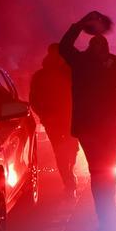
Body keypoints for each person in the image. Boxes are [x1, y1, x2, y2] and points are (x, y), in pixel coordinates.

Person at [59, 12, 116, 226]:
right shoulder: (107, 64)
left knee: (100, 168)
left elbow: (64, 47)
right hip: (105, 126)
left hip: (93, 126)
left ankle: (104, 211)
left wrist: (79, 25)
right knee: (106, 167)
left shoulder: (82, 62)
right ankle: (106, 209)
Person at [29, 44, 79, 197]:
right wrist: (43, 115)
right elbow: (34, 99)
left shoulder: (69, 72)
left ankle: (68, 172)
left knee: (69, 149)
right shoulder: (42, 75)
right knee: (62, 151)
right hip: (56, 120)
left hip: (67, 118)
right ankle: (68, 179)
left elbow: (80, 92)